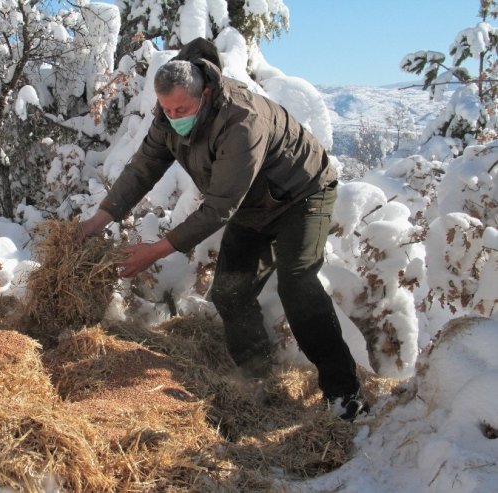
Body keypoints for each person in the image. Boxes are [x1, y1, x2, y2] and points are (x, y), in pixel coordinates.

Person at [79, 38, 369, 421]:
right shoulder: (169, 117)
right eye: (166, 109)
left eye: (181, 108)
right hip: (252, 202)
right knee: (230, 292)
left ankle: (344, 394)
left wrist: (153, 252)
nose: (172, 116)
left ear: (207, 93)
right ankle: (259, 376)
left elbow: (218, 207)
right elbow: (142, 168)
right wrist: (100, 218)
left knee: (297, 280)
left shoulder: (242, 121)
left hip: (302, 195)